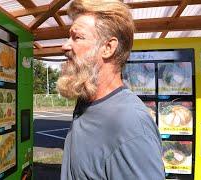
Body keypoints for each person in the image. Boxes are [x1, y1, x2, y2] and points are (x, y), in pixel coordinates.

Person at [56, 0, 165, 179]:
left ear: (107, 48)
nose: (65, 46)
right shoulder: (86, 99)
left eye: (77, 37)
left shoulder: (130, 124)